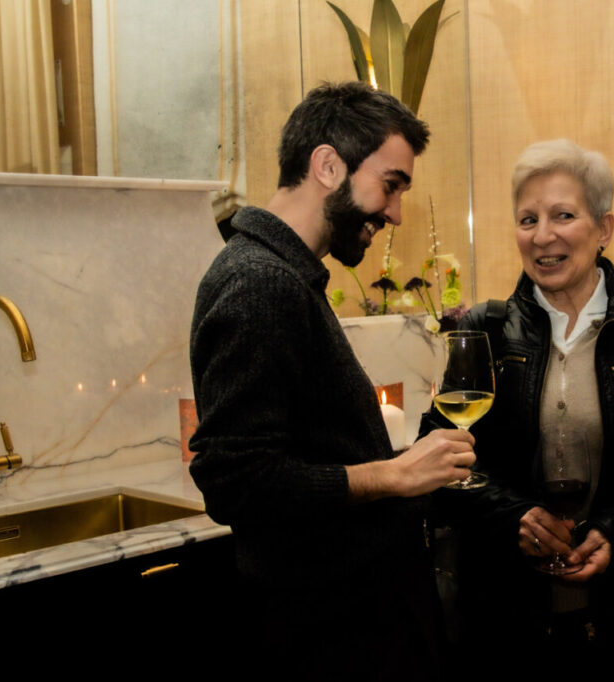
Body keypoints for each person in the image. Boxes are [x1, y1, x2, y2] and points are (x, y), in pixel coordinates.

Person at [187, 81, 476, 679]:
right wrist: (393, 474)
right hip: (327, 635)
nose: (395, 212)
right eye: (390, 184)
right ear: (327, 165)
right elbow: (237, 482)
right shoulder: (260, 283)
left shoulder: (287, 276)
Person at [422, 139, 614, 680]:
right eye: (527, 219)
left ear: (604, 228)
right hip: (507, 618)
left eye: (563, 215)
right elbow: (438, 465)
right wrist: (513, 517)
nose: (543, 235)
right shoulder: (486, 333)